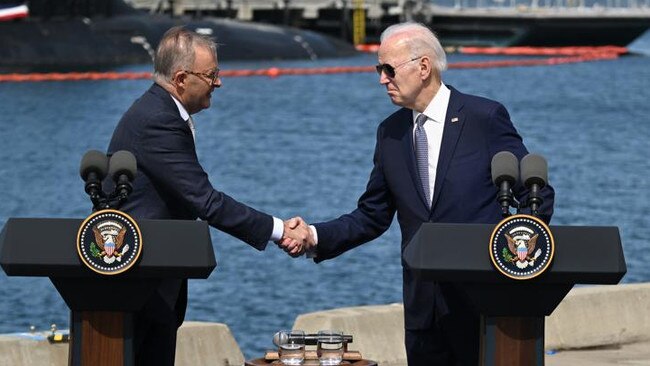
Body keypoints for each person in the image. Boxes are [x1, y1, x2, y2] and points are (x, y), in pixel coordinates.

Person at [289, 22, 555, 365]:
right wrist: (313, 236)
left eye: (388, 69)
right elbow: (372, 215)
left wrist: (518, 262)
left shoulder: (483, 118)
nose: (382, 79)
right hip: (423, 313)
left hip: (484, 307)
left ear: (424, 67)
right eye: (378, 69)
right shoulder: (390, 133)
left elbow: (536, 195)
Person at [107, 26, 308, 365]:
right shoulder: (158, 120)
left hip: (151, 283)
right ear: (182, 78)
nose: (219, 82)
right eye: (212, 74)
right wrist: (279, 231)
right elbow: (206, 201)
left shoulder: (160, 111)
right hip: (139, 285)